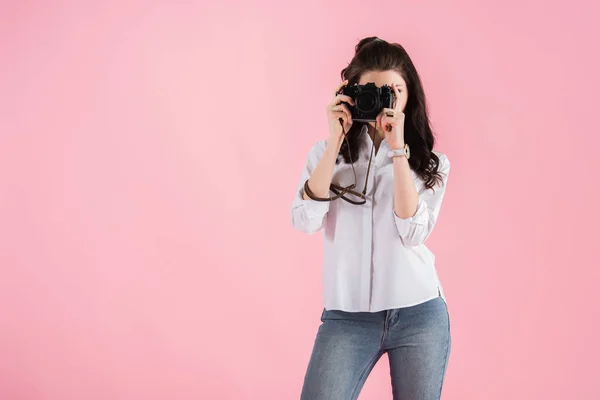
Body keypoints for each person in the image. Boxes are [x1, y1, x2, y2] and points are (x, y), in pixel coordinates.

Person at [291, 36, 452, 400]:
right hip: (348, 317)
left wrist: (398, 151)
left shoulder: (431, 163)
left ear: (409, 95)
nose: (382, 101)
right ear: (351, 92)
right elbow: (304, 220)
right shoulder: (325, 154)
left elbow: (412, 232)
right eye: (372, 92)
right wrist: (335, 141)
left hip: (419, 314)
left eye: (393, 91)